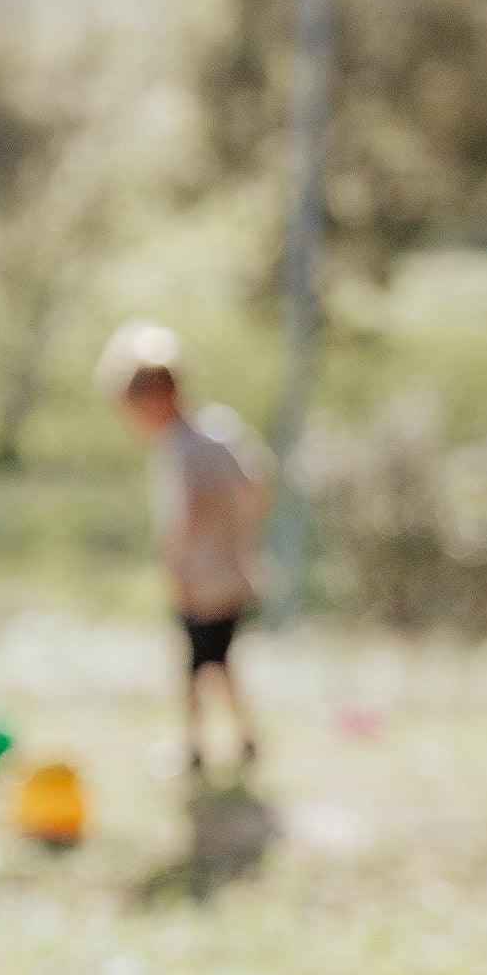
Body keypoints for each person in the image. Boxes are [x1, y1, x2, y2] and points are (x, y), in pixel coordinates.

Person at [101, 322, 274, 775]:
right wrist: (241, 538)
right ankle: (243, 738)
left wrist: (176, 568)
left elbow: (186, 514)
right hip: (233, 569)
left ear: (155, 399)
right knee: (215, 660)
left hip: (201, 575)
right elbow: (257, 484)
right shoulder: (221, 427)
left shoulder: (176, 447)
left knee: (197, 664)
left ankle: (194, 747)